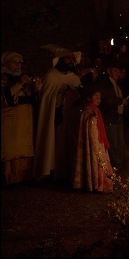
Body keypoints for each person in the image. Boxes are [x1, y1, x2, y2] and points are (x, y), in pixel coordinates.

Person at [33, 45, 83, 182]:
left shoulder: (74, 78)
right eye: (67, 58)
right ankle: (51, 171)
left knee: (69, 143)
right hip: (54, 116)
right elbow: (46, 97)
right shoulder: (51, 75)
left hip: (70, 118)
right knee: (52, 142)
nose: (70, 61)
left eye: (71, 59)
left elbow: (81, 96)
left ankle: (66, 171)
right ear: (60, 60)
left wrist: (72, 96)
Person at [1, 51, 40, 186]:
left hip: (26, 120)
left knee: (25, 148)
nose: (18, 65)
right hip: (11, 120)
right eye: (15, 62)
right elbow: (5, 98)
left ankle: (24, 178)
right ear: (6, 64)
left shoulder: (24, 78)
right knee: (12, 149)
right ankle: (9, 178)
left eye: (20, 63)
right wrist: (19, 84)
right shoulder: (3, 79)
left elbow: (32, 99)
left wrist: (37, 90)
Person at [72, 87, 113, 193]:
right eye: (96, 97)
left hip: (98, 140)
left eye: (100, 97)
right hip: (93, 141)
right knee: (95, 159)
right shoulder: (88, 111)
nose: (99, 99)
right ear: (89, 97)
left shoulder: (96, 110)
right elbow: (88, 129)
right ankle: (94, 183)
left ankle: (99, 183)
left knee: (99, 160)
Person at [95, 62, 129, 168]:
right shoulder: (105, 84)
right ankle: (116, 164)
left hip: (118, 116)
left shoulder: (117, 84)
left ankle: (120, 163)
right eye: (115, 70)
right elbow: (107, 99)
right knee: (113, 141)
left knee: (120, 141)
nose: (117, 73)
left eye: (119, 71)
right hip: (110, 117)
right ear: (109, 71)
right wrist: (120, 101)